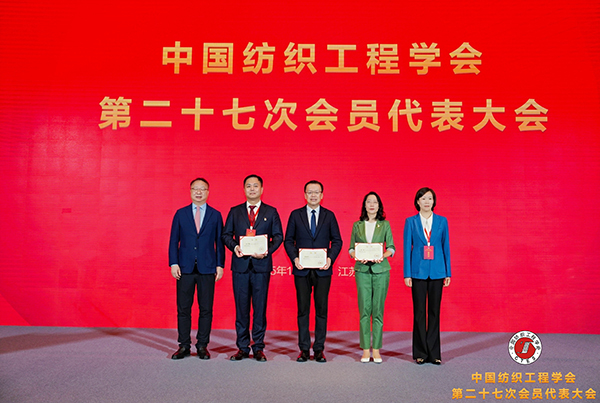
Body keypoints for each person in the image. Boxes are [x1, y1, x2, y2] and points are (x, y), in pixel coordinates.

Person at [222, 174, 283, 362]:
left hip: (261, 267)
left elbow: (278, 236)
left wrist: (266, 251)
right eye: (248, 186)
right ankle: (242, 347)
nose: (252, 189)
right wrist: (235, 247)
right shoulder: (235, 211)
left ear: (262, 189)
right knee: (241, 308)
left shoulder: (271, 212)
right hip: (240, 266)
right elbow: (226, 235)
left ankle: (258, 347)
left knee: (259, 308)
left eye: (255, 186)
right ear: (244, 189)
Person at [284, 180, 343, 363]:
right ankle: (303, 349)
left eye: (316, 192)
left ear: (322, 195)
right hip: (301, 270)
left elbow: (337, 241)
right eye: (310, 192)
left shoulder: (329, 216)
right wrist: (295, 259)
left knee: (321, 310)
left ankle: (318, 349)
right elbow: (288, 240)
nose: (313, 195)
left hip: (323, 270)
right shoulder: (295, 215)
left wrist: (330, 259)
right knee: (303, 310)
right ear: (305, 195)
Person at [168, 178, 225, 360]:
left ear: (208, 192)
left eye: (203, 189)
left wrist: (220, 265)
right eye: (195, 189)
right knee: (183, 309)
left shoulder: (215, 215)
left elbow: (220, 243)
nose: (199, 192)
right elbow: (173, 240)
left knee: (206, 309)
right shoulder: (181, 214)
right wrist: (173, 263)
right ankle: (184, 345)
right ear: (190, 191)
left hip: (207, 268)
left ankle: (202, 345)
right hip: (184, 268)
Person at [403, 187, 451, 365]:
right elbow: (407, 248)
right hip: (418, 272)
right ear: (417, 201)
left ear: (434, 201)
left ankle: (434, 353)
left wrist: (448, 272)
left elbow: (446, 247)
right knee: (419, 313)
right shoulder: (411, 222)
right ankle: (420, 352)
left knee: (434, 312)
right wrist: (407, 273)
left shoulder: (442, 221)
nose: (426, 202)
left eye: (429, 198)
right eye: (423, 198)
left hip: (438, 271)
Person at [349, 192, 395, 363]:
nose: (372, 205)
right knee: (364, 310)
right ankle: (365, 350)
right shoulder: (357, 225)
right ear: (365, 205)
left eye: (375, 202)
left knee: (378, 310)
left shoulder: (385, 225)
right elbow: (351, 249)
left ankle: (376, 349)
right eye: (369, 202)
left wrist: (382, 255)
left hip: (381, 270)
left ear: (379, 205)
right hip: (362, 270)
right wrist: (356, 255)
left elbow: (391, 248)